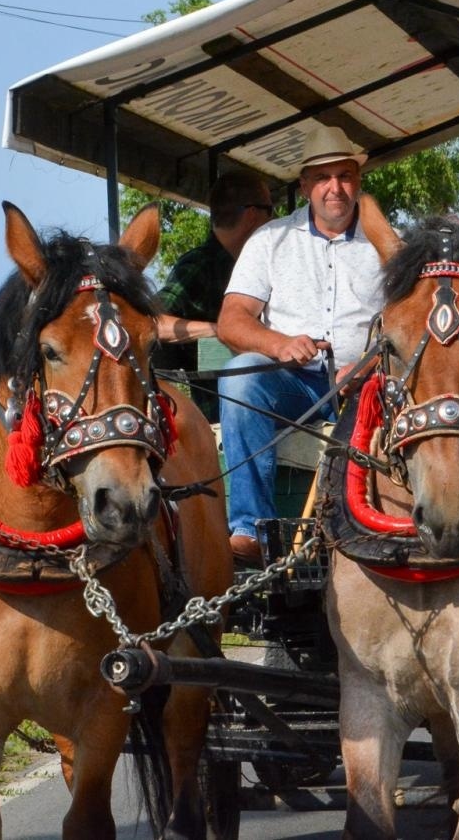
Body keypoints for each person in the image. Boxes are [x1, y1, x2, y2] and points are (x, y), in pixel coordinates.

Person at [217, 127, 383, 563]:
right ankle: (252, 529)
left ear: (358, 181)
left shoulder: (386, 243)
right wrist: (280, 344)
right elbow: (231, 321)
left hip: (367, 387)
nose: (335, 188)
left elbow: (408, 327)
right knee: (240, 378)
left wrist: (363, 368)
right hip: (293, 385)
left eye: (344, 176)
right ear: (305, 185)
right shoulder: (269, 240)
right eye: (323, 177)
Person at [153, 171, 274, 421]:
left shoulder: (259, 264)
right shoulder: (199, 266)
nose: (275, 222)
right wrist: (225, 330)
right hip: (223, 421)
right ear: (252, 215)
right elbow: (150, 321)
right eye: (270, 211)